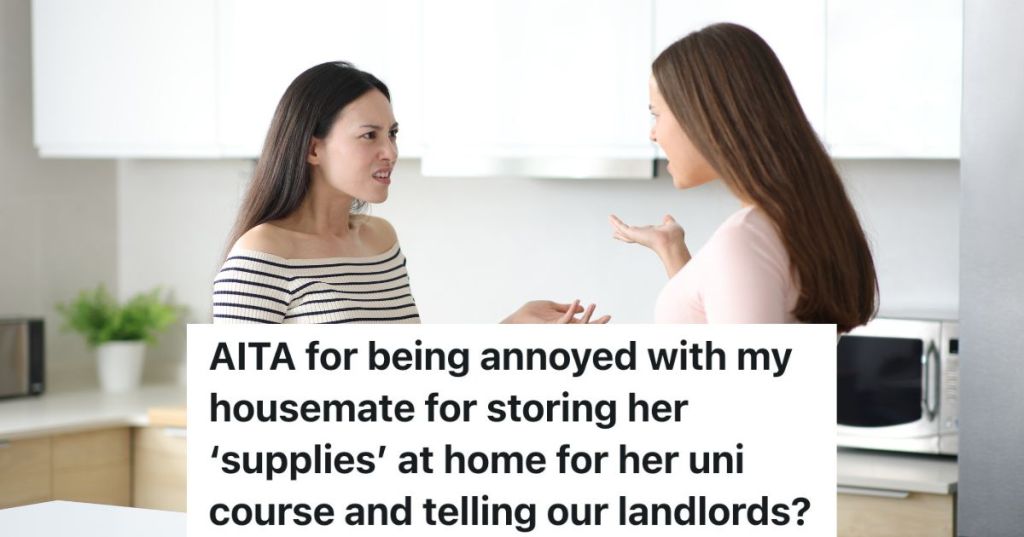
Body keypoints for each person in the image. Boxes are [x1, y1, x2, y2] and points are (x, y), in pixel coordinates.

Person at [214, 61, 607, 325]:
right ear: (313, 148)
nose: (391, 152)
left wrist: (506, 337)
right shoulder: (262, 255)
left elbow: (410, 378)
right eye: (369, 135)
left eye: (393, 134)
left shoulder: (379, 239)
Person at [609, 23, 877, 333]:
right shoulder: (792, 222)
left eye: (656, 114)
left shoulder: (744, 239)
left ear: (703, 115)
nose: (652, 133)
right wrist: (671, 250)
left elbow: (741, 379)